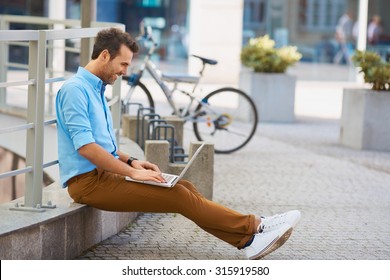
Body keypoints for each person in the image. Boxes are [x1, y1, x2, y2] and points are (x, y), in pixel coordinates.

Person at [55, 27, 301, 260]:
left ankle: (249, 241)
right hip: (88, 184)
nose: (125, 72)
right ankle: (256, 226)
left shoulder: (95, 90)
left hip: (104, 175)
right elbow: (86, 147)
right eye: (123, 64)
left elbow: (102, 144)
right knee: (179, 196)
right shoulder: (75, 91)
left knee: (184, 187)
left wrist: (132, 161)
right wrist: (132, 173)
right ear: (105, 55)